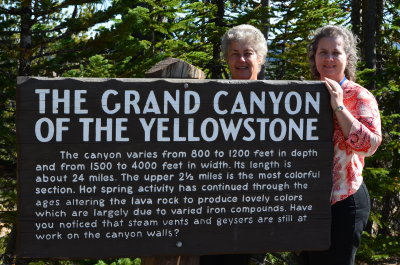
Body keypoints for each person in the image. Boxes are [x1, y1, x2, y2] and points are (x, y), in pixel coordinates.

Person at [297, 25, 382, 265]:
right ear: (314, 57)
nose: (329, 58)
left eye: (336, 52)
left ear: (347, 58)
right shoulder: (303, 94)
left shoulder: (359, 95)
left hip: (345, 200)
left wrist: (339, 106)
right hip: (308, 201)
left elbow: (370, 145)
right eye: (323, 52)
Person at [199, 24, 268, 265]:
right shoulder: (208, 100)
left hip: (255, 219)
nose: (241, 59)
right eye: (234, 53)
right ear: (227, 59)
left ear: (260, 59)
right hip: (212, 217)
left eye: (248, 53)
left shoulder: (276, 103)